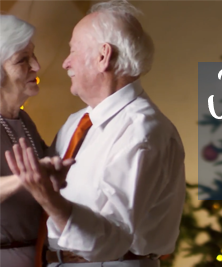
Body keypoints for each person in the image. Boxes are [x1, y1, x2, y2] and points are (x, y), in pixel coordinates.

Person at [6, 0, 186, 266]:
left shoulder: (142, 132)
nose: (65, 62)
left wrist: (51, 199)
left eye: (73, 50)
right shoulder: (76, 123)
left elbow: (110, 242)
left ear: (103, 56)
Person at [0, 14, 73, 267]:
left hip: (38, 256)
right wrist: (25, 178)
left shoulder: (23, 119)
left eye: (33, 55)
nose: (37, 66)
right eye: (22, 60)